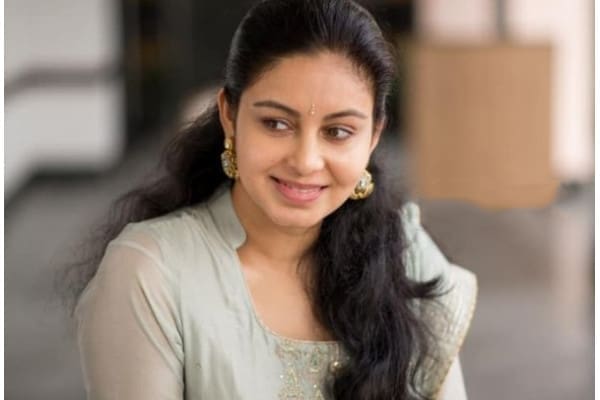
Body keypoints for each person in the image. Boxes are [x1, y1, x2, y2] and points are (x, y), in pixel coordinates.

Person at [69, 0, 477, 399]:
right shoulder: (151, 275)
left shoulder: (406, 254)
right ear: (229, 116)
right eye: (277, 124)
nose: (305, 161)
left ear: (373, 137)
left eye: (337, 132)